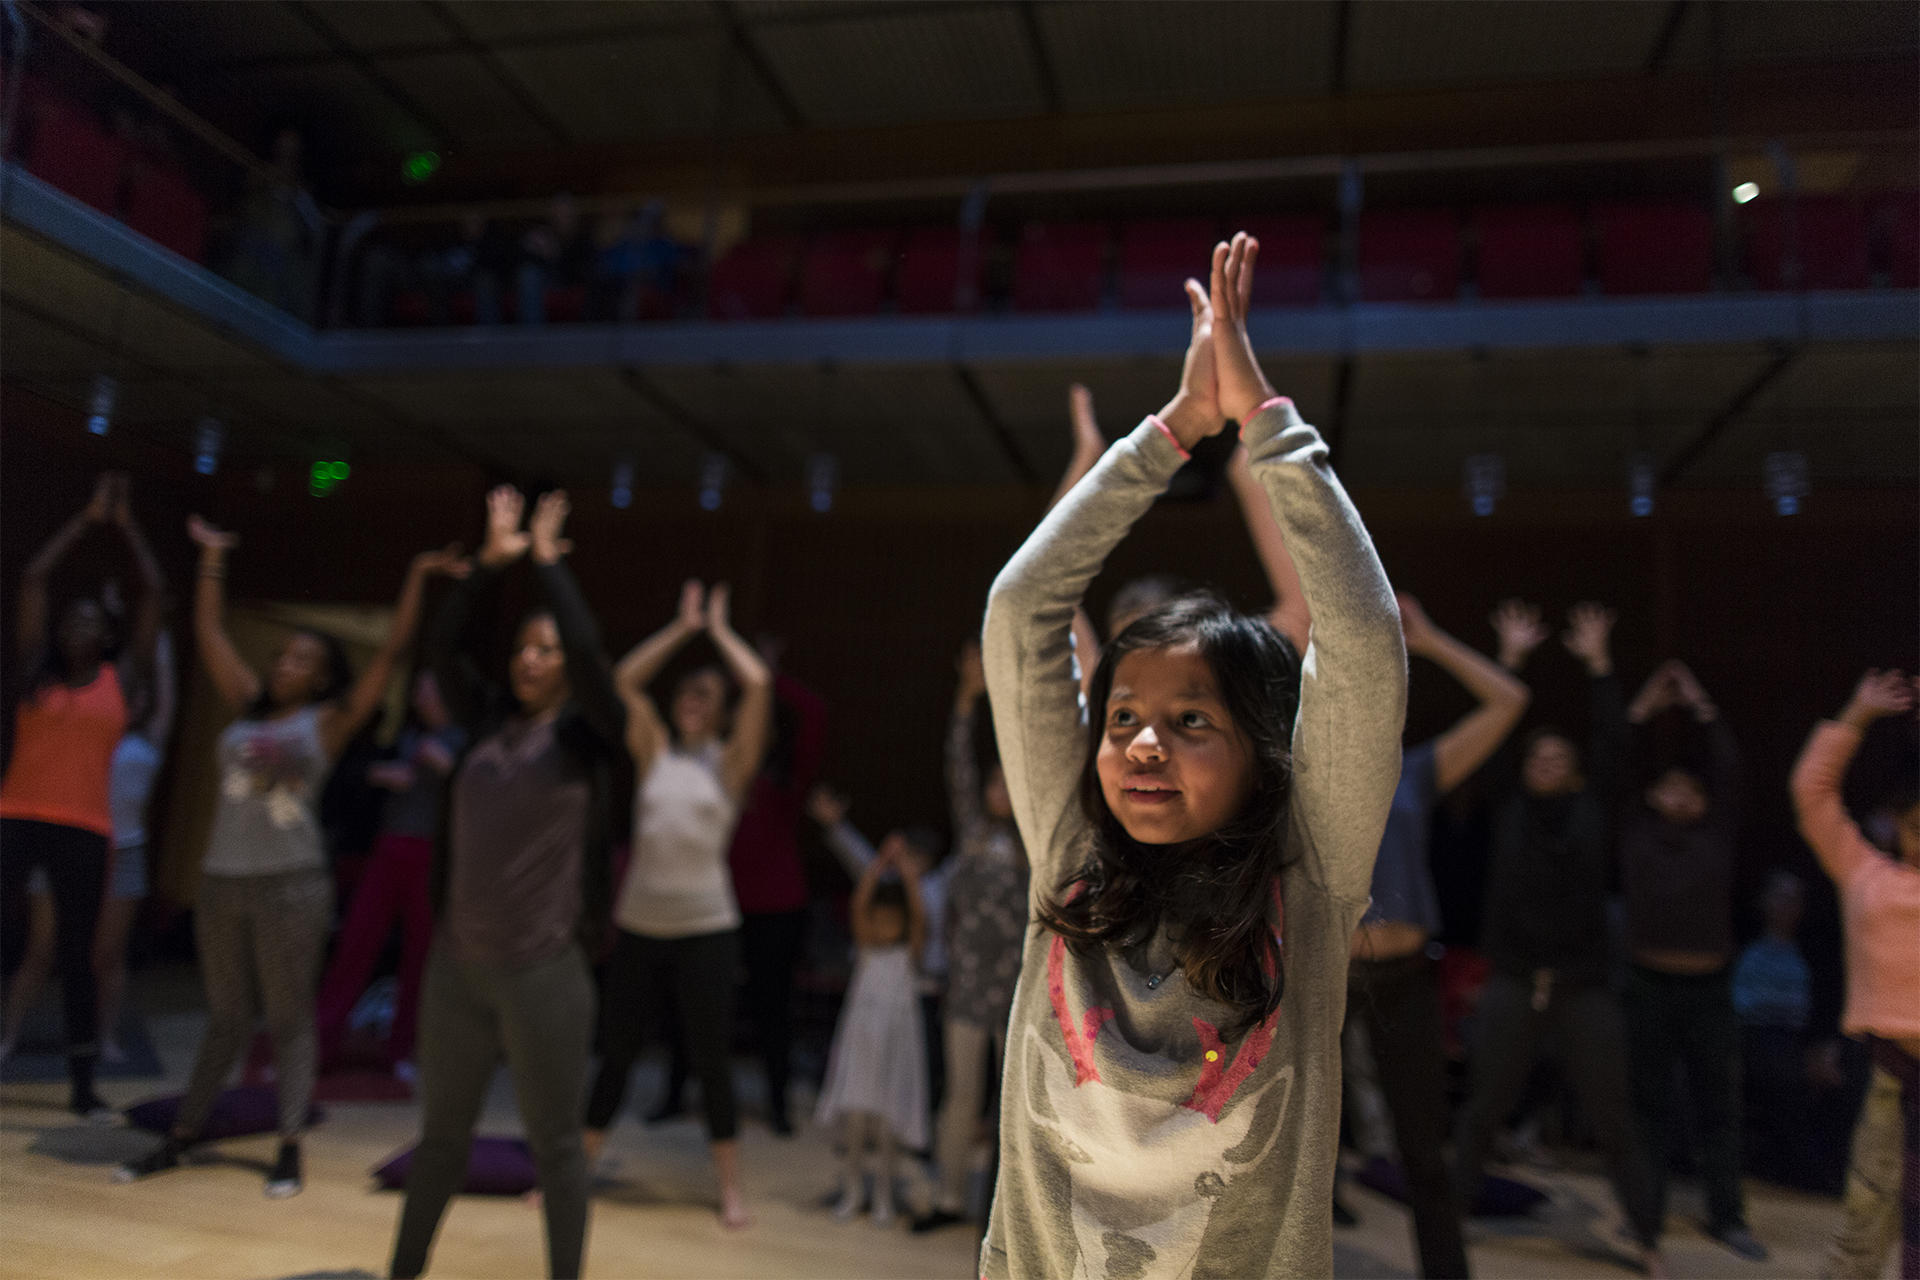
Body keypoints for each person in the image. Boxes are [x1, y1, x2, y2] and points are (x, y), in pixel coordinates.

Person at [977, 232, 1406, 1277]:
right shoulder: (1069, 851)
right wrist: (1168, 433)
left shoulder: (1306, 882)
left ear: (1266, 751)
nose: (1143, 744)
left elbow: (1362, 636)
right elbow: (1024, 605)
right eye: (1121, 716)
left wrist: (1262, 421)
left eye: (1192, 720)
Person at [118, 518, 460, 1196]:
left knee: (288, 1016)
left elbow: (391, 654)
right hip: (222, 880)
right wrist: (213, 559)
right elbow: (210, 635)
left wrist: (417, 579)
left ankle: (290, 1144)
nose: (287, 665)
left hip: (292, 884)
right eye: (284, 656)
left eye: (304, 660)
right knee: (224, 1015)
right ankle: (184, 1133)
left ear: (325, 677)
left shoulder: (326, 724)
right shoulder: (247, 709)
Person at [386, 488, 621, 1279]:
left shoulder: (592, 735)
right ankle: (403, 1270)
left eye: (546, 649)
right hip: (459, 966)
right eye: (525, 646)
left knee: (555, 1146)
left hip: (545, 970)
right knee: (440, 1139)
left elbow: (592, 655)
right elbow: (439, 647)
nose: (532, 658)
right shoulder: (486, 718)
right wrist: (488, 568)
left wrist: (549, 568)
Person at [1451, 601, 1668, 1273]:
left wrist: (1600, 664)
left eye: (1557, 756)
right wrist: (1509, 660)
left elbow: (1613, 746)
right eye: (1536, 754)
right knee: (1484, 1107)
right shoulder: (1510, 808)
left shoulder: (1592, 810)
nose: (1544, 760)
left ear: (1573, 772)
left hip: (1582, 986)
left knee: (1612, 1115)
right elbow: (1492, 736)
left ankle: (1646, 1235)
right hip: (1515, 979)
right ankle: (1449, 1224)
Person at [1342, 594, 1534, 1278]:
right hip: (1325, 981)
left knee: (1425, 1153)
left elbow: (1509, 700)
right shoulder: (1302, 776)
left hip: (1403, 979)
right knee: (1298, 1149)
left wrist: (1430, 640)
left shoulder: (1414, 771)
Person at [583, 579, 772, 1231]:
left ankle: (730, 1191)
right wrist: (681, 627)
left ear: (719, 711)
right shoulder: (653, 750)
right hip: (639, 924)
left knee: (710, 1058)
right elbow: (625, 680)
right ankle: (576, 1175)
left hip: (706, 929)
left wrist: (719, 633)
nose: (693, 701)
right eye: (688, 692)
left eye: (706, 695)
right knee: (617, 1052)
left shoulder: (730, 765)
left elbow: (761, 686)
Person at [1, 474, 162, 1117]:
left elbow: (154, 592)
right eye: (72, 619)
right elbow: (35, 580)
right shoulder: (35, 670)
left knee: (77, 954)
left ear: (105, 637)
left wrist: (124, 527)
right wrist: (83, 518)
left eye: (91, 621)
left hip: (85, 827)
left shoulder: (122, 680)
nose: (78, 626)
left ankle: (83, 1085)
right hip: (13, 815)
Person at [1618, 659, 1766, 1260]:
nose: (1682, 796)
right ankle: (1645, 1215)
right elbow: (1615, 767)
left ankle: (1728, 1217)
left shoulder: (1718, 830)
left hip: (1709, 986)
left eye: (1692, 791)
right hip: (1648, 982)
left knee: (1718, 1107)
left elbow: (1730, 769)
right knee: (1647, 1106)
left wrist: (1701, 705)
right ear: (1655, 796)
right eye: (1671, 787)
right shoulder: (1635, 827)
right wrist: (1643, 708)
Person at [651, 647, 827, 1137]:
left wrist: (767, 676)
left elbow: (813, 714)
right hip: (714, 903)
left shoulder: (787, 779)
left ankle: (777, 1105)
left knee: (774, 1010)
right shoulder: (715, 769)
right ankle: (672, 1096)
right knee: (692, 1004)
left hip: (778, 908)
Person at [1790, 670, 1920, 1280]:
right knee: (1865, 1221)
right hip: (1890, 1072)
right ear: (1899, 823)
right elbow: (1812, 791)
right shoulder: (1864, 872)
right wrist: (1858, 714)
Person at [1, 626, 175, 1067]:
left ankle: (105, 1038)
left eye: (138, 696)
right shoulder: (87, 726)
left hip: (126, 854)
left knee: (107, 955)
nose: (131, 701)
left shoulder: (147, 741)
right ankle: (7, 1036)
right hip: (69, 843)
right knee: (41, 951)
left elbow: (165, 699)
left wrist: (161, 641)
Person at [911, 643, 1030, 1235]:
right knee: (959, 1096)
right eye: (994, 782)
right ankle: (949, 1197)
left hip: (1015, 991)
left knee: (1009, 1108)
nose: (998, 790)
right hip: (967, 987)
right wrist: (966, 700)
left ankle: (1004, 1212)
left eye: (1011, 783)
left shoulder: (1037, 848)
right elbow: (956, 762)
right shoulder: (973, 833)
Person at [314, 670, 466, 1077]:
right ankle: (318, 1043)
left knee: (421, 953)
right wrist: (379, 774)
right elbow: (352, 774)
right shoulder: (404, 739)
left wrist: (449, 768)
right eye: (417, 689)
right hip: (388, 847)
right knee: (355, 942)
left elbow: (478, 794)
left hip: (431, 854)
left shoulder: (463, 742)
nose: (419, 695)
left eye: (425, 687)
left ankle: (403, 1050)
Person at [809, 787, 951, 1122]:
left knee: (917, 1064)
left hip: (920, 990)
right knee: (862, 1064)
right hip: (870, 1000)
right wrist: (845, 832)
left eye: (916, 858)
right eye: (907, 857)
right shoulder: (886, 885)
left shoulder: (936, 887)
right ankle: (859, 1127)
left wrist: (907, 877)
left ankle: (911, 1126)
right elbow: (861, 872)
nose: (909, 864)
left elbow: (921, 921)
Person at [816, 840, 930, 1225]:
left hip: (894, 1048)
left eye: (889, 920)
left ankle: (883, 1194)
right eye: (876, 919)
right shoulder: (866, 952)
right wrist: (878, 866)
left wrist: (910, 880)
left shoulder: (906, 956)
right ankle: (851, 1190)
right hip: (861, 1043)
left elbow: (919, 919)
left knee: (885, 1127)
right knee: (856, 1122)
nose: (881, 926)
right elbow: (857, 906)